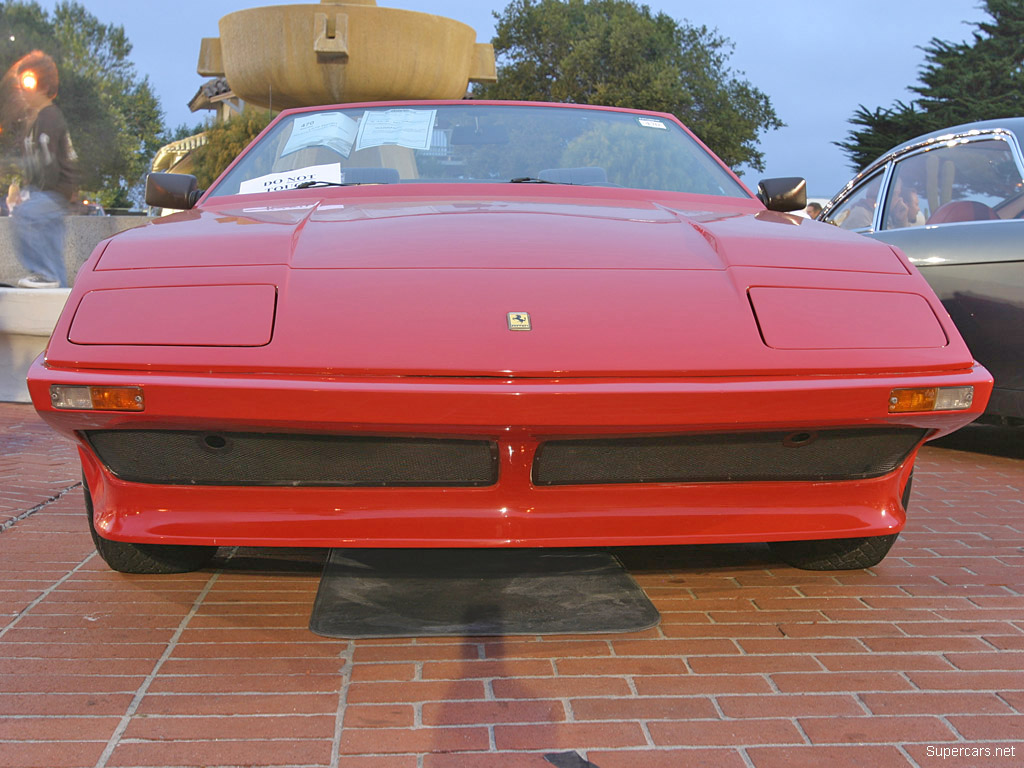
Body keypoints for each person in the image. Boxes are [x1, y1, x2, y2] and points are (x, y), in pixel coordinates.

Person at [5, 51, 77, 288]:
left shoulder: (50, 116)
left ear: (42, 85)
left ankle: (45, 275)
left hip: (55, 190)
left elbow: (48, 161)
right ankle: (59, 294)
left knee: (24, 216)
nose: (23, 92)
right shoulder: (33, 120)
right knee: (51, 244)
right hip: (46, 190)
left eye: (28, 84)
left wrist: (30, 193)